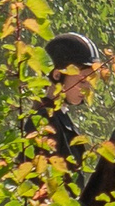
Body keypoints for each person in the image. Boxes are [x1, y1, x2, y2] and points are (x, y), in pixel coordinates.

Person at [42, 32, 101, 162]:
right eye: (83, 81)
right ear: (57, 75)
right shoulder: (44, 123)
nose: (88, 89)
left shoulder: (61, 118)